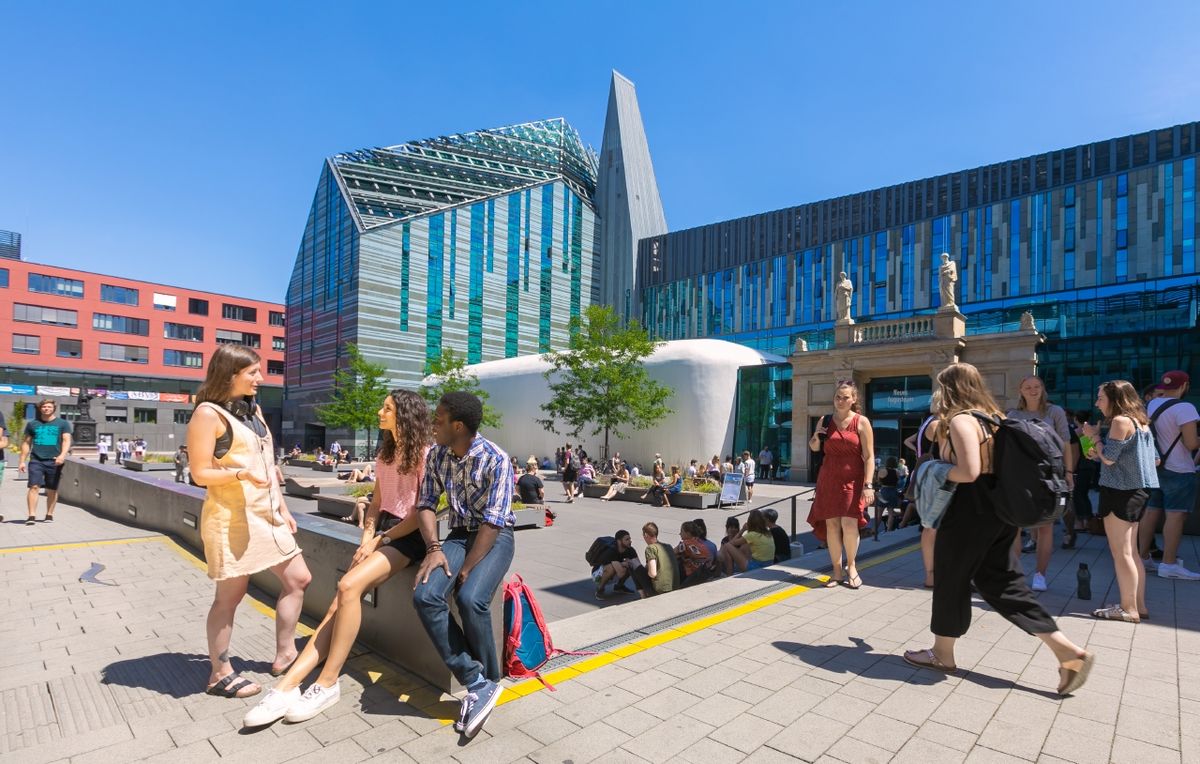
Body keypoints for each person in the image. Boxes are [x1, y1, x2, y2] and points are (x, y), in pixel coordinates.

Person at [903, 362, 1094, 696]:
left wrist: (934, 470)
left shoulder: (962, 420)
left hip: (967, 510)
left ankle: (942, 655)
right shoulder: (994, 418)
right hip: (997, 509)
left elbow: (969, 471)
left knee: (951, 579)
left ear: (948, 389)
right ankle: (1066, 650)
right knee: (1001, 582)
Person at [243, 389, 432, 726]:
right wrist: (366, 536)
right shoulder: (385, 454)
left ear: (404, 414)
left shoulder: (426, 456)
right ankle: (287, 686)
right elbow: (376, 503)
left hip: (409, 536)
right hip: (383, 533)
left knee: (346, 588)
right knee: (337, 604)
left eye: (386, 408)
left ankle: (327, 683)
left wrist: (380, 540)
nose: (379, 412)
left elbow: (421, 513)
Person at [187, 345, 311, 700]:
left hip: (267, 515)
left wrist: (283, 508)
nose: (261, 378)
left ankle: (285, 652)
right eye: (253, 372)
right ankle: (219, 673)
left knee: (299, 578)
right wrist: (239, 473)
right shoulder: (208, 414)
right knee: (230, 596)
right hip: (232, 519)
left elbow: (269, 465)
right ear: (230, 374)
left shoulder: (253, 411)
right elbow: (199, 472)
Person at [411, 391, 515, 738]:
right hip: (456, 536)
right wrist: (434, 548)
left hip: (494, 537)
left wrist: (467, 568)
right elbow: (425, 503)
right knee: (425, 595)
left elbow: (494, 521)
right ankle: (476, 679)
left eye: (437, 419)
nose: (432, 425)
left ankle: (491, 677)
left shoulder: (496, 459)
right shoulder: (437, 454)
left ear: (458, 425)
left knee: (471, 598)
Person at [1077, 381, 1157, 622]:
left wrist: (1094, 437)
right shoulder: (1141, 423)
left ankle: (1128, 609)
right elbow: (1155, 461)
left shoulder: (1121, 422)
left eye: (1100, 398)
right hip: (1138, 491)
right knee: (1131, 552)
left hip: (1120, 492)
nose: (1097, 403)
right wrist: (1096, 447)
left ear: (1115, 398)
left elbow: (1109, 460)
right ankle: (1138, 606)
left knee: (1121, 553)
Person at [1006, 376, 1074, 592]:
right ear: (1021, 390)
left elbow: (1066, 443)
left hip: (1049, 474)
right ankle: (1015, 574)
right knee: (1014, 526)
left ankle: (1040, 575)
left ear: (1043, 388)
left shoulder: (1055, 412)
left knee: (1045, 526)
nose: (1032, 390)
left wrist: (1069, 472)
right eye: (1028, 387)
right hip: (1020, 475)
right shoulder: (1013, 414)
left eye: (1036, 386)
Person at [807, 381, 875, 589]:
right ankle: (836, 571)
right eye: (838, 396)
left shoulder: (862, 422)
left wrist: (869, 484)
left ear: (854, 399)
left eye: (845, 397)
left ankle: (852, 566)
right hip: (828, 479)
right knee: (832, 525)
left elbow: (869, 456)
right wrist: (817, 436)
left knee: (850, 524)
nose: (841, 400)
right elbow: (815, 447)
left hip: (853, 480)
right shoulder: (825, 420)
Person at [1139, 371, 1200, 579]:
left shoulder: (1152, 404)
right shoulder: (1186, 408)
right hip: (1180, 469)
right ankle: (1169, 563)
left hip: (1155, 467)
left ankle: (1142, 557)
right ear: (1184, 386)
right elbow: (1191, 443)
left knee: (1151, 512)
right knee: (1175, 515)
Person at [18, 399, 73, 525]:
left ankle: (49, 514)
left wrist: (62, 455)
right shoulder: (32, 424)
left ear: (53, 408)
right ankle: (31, 515)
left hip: (54, 460)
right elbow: (26, 443)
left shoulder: (62, 423)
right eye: (44, 407)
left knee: (51, 489)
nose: (46, 409)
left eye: (49, 407)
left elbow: (66, 441)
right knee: (34, 486)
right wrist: (21, 461)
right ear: (40, 408)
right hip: (36, 459)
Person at [718, 509, 775, 575]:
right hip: (769, 564)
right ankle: (731, 572)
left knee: (727, 546)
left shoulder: (752, 535)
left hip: (756, 567)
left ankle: (729, 575)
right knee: (746, 545)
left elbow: (731, 543)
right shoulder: (768, 533)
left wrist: (743, 529)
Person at [593, 530, 646, 599]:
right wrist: (624, 563)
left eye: (630, 539)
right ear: (619, 541)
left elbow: (638, 566)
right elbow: (621, 573)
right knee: (611, 568)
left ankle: (619, 587)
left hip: (616, 571)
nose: (630, 541)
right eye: (627, 539)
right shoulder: (611, 551)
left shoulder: (630, 550)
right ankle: (600, 589)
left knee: (631, 564)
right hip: (598, 575)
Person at [1071, 410, 1098, 534]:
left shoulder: (1079, 432)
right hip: (1089, 466)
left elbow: (1087, 452)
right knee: (1084, 494)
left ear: (1076, 419)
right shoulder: (1091, 430)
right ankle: (1087, 521)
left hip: (1081, 467)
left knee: (1078, 495)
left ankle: (1082, 522)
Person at [642, 523, 677, 595]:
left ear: (646, 535)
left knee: (633, 565)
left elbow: (653, 573)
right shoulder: (668, 546)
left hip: (661, 589)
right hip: (675, 585)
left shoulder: (650, 548)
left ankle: (644, 595)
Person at [677, 521, 716, 587]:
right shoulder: (700, 542)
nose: (679, 533)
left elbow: (670, 553)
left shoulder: (684, 544)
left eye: (682, 531)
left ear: (688, 533)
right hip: (706, 573)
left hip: (694, 576)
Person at [875, 456, 903, 532]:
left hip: (883, 491)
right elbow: (898, 483)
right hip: (893, 491)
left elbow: (878, 481)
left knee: (879, 513)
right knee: (891, 513)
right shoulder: (897, 472)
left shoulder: (882, 471)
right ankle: (889, 530)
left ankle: (875, 530)